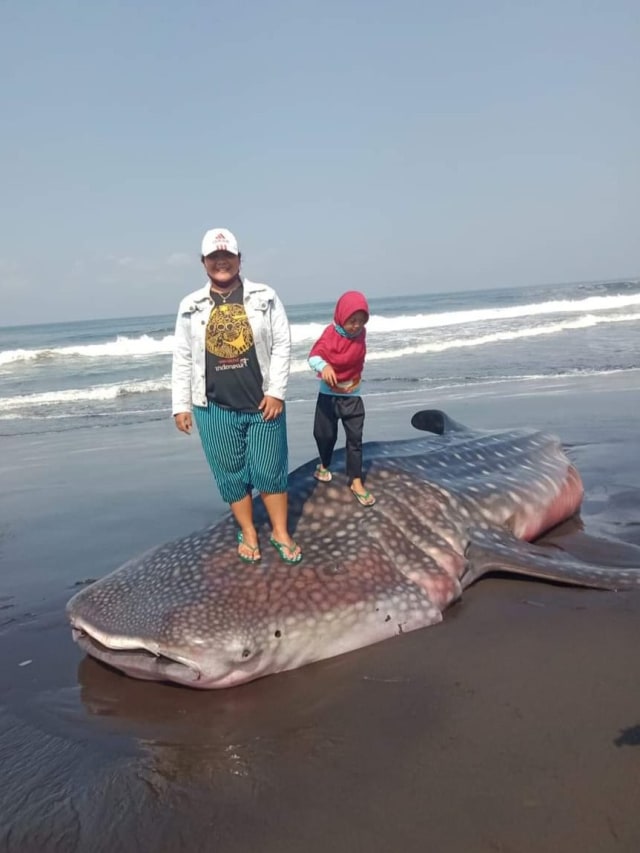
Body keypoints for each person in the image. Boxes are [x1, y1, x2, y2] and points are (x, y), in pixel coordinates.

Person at [172, 227, 302, 564]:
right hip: (212, 407)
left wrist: (276, 393)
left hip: (262, 405)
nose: (221, 262)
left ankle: (280, 531)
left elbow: (283, 344)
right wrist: (180, 405)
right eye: (214, 258)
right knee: (229, 473)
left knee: (270, 469)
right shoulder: (190, 306)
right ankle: (248, 530)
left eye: (227, 256)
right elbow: (183, 357)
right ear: (203, 263)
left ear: (239, 259)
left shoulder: (265, 296)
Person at [308, 291, 376, 507]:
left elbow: (353, 355)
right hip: (328, 396)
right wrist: (324, 366)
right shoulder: (330, 334)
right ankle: (324, 465)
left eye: (361, 321)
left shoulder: (360, 334)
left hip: (352, 396)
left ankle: (355, 481)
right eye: (351, 320)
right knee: (324, 436)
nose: (356, 326)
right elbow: (314, 356)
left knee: (355, 440)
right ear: (340, 316)